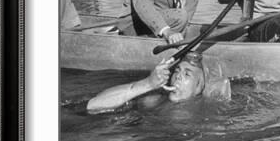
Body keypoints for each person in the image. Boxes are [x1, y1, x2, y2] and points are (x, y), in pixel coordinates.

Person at [86, 52, 230, 114]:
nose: (178, 77)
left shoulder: (207, 112)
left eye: (187, 74)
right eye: (177, 71)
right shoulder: (154, 100)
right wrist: (148, 83)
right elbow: (93, 105)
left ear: (199, 87)